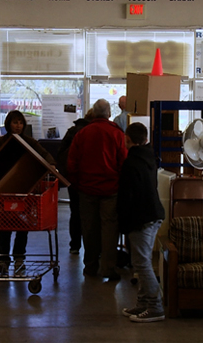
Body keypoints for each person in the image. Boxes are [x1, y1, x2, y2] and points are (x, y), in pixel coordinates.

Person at [67, 99, 128, 281]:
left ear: (93, 113)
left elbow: (72, 163)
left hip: (87, 190)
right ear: (109, 114)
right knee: (109, 230)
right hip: (110, 190)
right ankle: (108, 268)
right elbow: (123, 162)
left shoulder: (82, 134)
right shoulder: (117, 134)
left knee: (89, 229)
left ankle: (90, 267)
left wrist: (78, 184)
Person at [0, 110, 56, 276]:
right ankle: (3, 259)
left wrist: (51, 165)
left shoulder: (30, 142)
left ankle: (19, 257)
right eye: (15, 122)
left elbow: (46, 155)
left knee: (22, 225)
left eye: (20, 123)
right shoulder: (0, 143)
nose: (18, 126)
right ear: (8, 124)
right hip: (5, 190)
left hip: (26, 190)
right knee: (4, 225)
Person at [117, 122, 165, 323]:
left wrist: (122, 222)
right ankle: (143, 303)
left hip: (141, 218)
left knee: (142, 263)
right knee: (141, 261)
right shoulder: (148, 157)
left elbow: (127, 196)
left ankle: (155, 307)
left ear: (127, 139)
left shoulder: (131, 163)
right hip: (153, 214)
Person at [56, 108, 94, 255]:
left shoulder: (73, 131)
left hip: (73, 179)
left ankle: (75, 245)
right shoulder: (93, 133)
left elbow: (60, 154)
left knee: (75, 212)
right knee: (91, 213)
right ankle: (91, 248)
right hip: (89, 179)